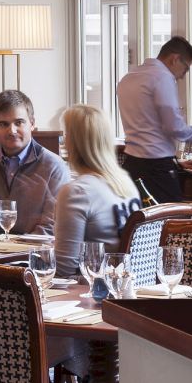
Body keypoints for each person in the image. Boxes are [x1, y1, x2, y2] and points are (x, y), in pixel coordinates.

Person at [116, 35, 192, 202]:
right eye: (186, 69)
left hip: (132, 164)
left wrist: (175, 162)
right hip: (156, 169)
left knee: (140, 222)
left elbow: (148, 127)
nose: (182, 76)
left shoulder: (128, 77)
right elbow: (175, 128)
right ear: (175, 59)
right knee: (171, 222)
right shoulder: (162, 77)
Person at [0, 89, 69, 234]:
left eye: (19, 122)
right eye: (3, 124)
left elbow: (50, 228)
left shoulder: (54, 167)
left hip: (30, 255)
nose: (12, 130)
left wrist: (11, 252)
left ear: (32, 123)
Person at [51, 104, 142, 276]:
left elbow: (64, 269)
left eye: (66, 135)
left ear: (72, 143)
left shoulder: (77, 192)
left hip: (90, 291)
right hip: (126, 286)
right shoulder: (125, 182)